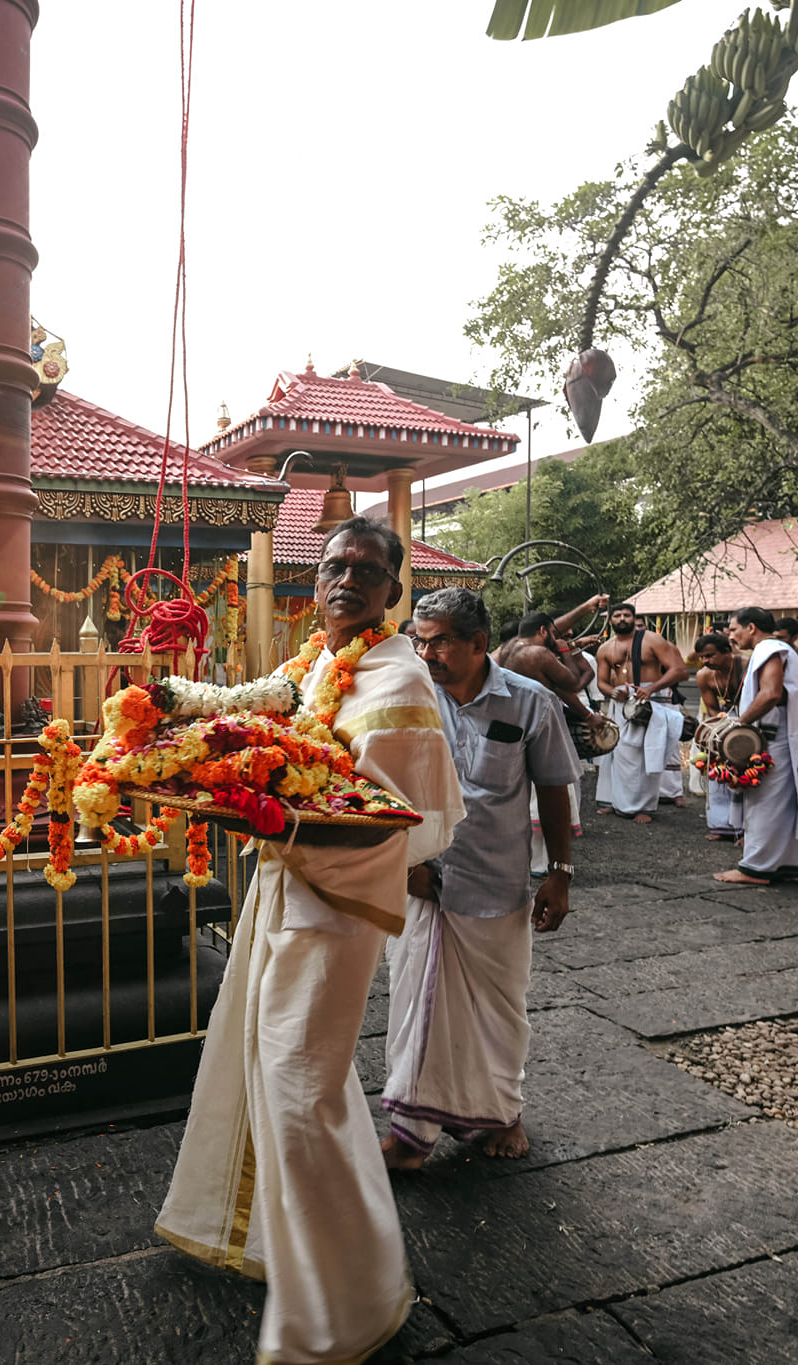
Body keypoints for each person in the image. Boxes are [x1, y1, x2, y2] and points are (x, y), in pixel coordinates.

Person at [157, 517, 465, 1365]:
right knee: (267, 1067)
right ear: (315, 578)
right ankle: (284, 1251)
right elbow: (271, 728)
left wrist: (256, 802)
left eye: (368, 570)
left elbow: (387, 821)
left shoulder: (396, 677)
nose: (347, 579)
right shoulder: (325, 661)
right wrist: (188, 733)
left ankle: (345, 1306)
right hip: (285, 883)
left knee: (302, 1093)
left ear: (393, 592)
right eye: (334, 565)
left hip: (336, 906)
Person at [385, 589, 578, 1169]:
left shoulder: (531, 703)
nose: (428, 653)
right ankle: (410, 1134)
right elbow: (383, 781)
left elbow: (554, 788)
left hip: (495, 883)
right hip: (421, 882)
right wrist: (404, 862)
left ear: (478, 643)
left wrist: (560, 875)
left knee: (499, 1010)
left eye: (441, 640)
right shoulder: (410, 698)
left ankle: (501, 1114)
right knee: (413, 1004)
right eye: (421, 640)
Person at [715, 606, 798, 886]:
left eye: (734, 629)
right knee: (778, 803)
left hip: (773, 737)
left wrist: (738, 725)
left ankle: (756, 868)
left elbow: (771, 694)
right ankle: (783, 863)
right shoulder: (770, 648)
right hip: (775, 734)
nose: (730, 636)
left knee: (764, 803)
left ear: (752, 628)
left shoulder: (769, 647)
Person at [494, 611, 598, 871]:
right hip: (539, 727)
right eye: (553, 634)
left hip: (511, 726)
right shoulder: (538, 654)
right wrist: (567, 651)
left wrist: (589, 605)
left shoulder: (504, 651)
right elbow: (572, 684)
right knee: (551, 790)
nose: (557, 637)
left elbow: (559, 691)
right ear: (542, 632)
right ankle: (543, 864)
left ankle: (523, 859)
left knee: (521, 792)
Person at [593, 603, 687, 822]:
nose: (622, 618)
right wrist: (613, 693)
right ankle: (614, 801)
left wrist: (650, 688)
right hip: (621, 702)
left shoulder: (651, 640)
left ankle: (644, 808)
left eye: (627, 615)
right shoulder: (605, 648)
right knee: (615, 752)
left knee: (644, 754)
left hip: (650, 700)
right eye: (617, 615)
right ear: (610, 621)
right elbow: (601, 683)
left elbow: (680, 670)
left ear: (634, 618)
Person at [693, 633, 745, 842]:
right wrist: (723, 730)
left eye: (710, 656)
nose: (706, 661)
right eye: (702, 657)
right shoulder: (704, 675)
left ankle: (744, 829)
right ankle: (721, 825)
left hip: (749, 721)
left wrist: (742, 727)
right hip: (721, 724)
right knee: (718, 772)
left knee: (745, 774)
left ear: (727, 651)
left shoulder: (747, 666)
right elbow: (713, 709)